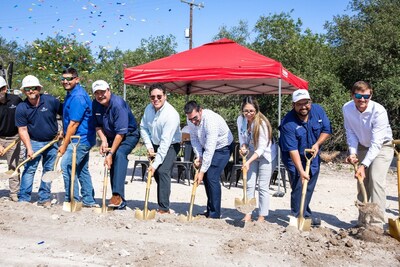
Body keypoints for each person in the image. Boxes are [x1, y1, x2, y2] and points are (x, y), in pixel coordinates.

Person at [343, 81, 393, 227]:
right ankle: (363, 221)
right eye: (358, 95)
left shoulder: (379, 111)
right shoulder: (347, 108)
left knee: (375, 179)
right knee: (362, 182)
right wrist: (353, 153)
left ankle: (376, 223)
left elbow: (377, 143)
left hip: (383, 147)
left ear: (371, 94)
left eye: (366, 96)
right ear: (352, 95)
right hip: (362, 146)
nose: (362, 99)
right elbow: (350, 132)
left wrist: (363, 165)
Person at [279, 89, 331, 226]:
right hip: (293, 158)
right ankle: (297, 216)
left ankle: (305, 214)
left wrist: (317, 144)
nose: (303, 107)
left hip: (312, 155)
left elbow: (326, 130)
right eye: (299, 104)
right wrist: (301, 171)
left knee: (309, 185)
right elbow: (293, 150)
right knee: (298, 185)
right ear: (293, 105)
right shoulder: (288, 123)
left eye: (306, 103)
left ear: (310, 102)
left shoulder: (318, 111)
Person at [92, 80, 140, 209]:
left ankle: (117, 195)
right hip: (111, 136)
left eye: (102, 92)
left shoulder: (118, 105)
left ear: (109, 90)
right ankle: (118, 199)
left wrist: (111, 152)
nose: (100, 95)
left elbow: (121, 134)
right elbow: (97, 125)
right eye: (97, 93)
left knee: (119, 154)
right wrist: (103, 140)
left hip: (128, 135)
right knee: (111, 162)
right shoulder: (95, 104)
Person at [15, 75, 62, 206]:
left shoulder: (51, 101)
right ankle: (24, 198)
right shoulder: (21, 108)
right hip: (34, 143)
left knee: (49, 170)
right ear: (24, 91)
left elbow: (65, 113)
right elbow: (22, 129)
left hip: (52, 142)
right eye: (27, 89)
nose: (31, 91)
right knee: (29, 169)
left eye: (34, 88)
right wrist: (29, 148)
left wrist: (63, 131)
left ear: (39, 88)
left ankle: (44, 198)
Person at [184, 100, 234, 219]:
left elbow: (210, 149)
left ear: (200, 111)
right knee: (207, 177)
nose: (193, 121)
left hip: (223, 147)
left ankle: (214, 214)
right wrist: (199, 156)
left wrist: (201, 172)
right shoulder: (190, 120)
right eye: (191, 119)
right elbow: (195, 140)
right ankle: (210, 209)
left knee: (211, 175)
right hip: (206, 146)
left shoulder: (210, 120)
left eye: (195, 118)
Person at [58, 68, 97, 207]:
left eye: (69, 78)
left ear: (77, 79)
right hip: (79, 137)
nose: (65, 81)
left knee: (67, 166)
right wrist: (63, 132)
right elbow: (70, 120)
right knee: (81, 169)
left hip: (81, 139)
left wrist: (64, 145)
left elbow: (74, 124)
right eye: (63, 79)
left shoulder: (78, 97)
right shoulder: (71, 94)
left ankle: (72, 200)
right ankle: (89, 200)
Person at [140, 83, 181, 214]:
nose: (155, 99)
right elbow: (143, 128)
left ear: (165, 96)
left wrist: (155, 164)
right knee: (158, 173)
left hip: (170, 145)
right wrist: (149, 146)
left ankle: (164, 208)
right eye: (152, 97)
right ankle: (163, 198)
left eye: (159, 96)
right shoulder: (148, 109)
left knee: (162, 170)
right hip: (155, 144)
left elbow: (165, 142)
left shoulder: (171, 115)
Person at [237, 96, 277, 222]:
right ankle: (248, 213)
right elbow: (242, 137)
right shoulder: (240, 120)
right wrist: (243, 146)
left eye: (251, 111)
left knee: (262, 186)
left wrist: (248, 162)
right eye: (246, 111)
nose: (248, 114)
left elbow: (261, 148)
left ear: (256, 110)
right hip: (251, 152)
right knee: (249, 184)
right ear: (242, 111)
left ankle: (262, 216)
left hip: (266, 155)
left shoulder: (262, 124)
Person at [0, 76, 22, 202]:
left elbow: (24, 116)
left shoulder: (16, 100)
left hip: (14, 138)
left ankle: (14, 193)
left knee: (13, 166)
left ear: (4, 89)